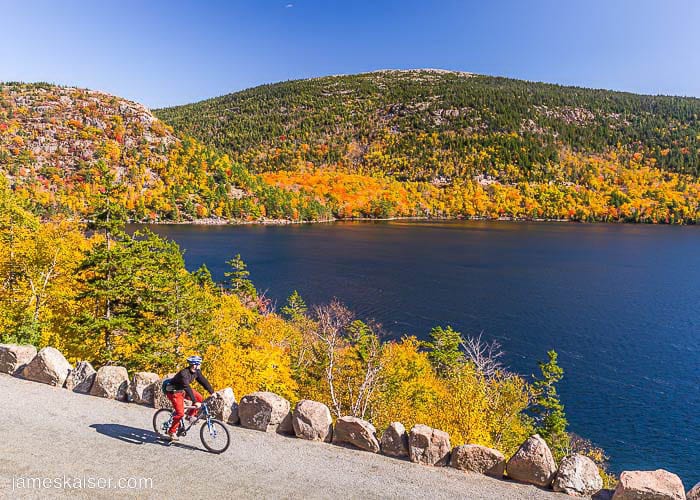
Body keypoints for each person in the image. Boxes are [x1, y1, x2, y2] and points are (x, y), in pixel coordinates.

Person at [163, 355, 215, 441]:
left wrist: (212, 392)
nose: (200, 365)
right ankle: (171, 432)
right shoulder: (184, 374)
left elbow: (203, 381)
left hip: (182, 390)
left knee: (199, 397)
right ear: (194, 365)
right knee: (180, 413)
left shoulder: (196, 372)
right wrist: (194, 402)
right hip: (174, 392)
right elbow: (187, 387)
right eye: (199, 364)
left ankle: (190, 416)